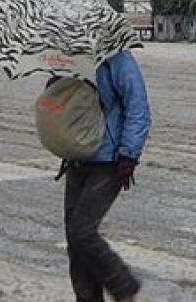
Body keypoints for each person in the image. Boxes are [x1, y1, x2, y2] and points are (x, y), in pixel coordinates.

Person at [61, 49, 150, 302]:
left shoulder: (117, 58)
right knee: (75, 242)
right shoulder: (69, 55)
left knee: (82, 231)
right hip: (77, 154)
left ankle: (124, 287)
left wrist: (128, 153)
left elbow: (138, 104)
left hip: (109, 159)